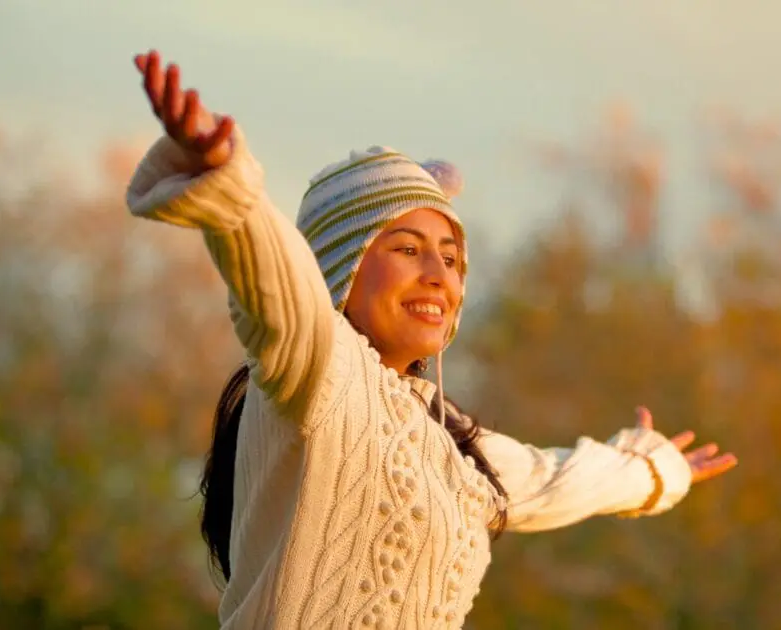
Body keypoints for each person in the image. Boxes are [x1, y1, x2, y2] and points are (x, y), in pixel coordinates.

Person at [126, 49, 737, 629]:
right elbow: (276, 280)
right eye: (408, 249)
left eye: (450, 258)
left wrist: (651, 468)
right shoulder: (316, 367)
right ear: (342, 266)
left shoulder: (450, 444)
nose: (439, 275)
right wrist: (229, 186)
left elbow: (551, 479)